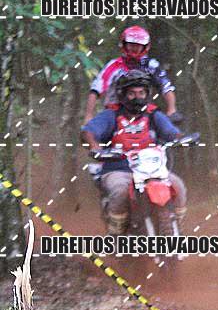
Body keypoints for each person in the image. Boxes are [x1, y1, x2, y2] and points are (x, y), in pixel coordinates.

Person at [80, 70, 187, 236]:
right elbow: (88, 132)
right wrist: (95, 148)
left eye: (141, 93)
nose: (137, 97)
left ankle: (175, 226)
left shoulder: (153, 115)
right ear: (122, 95)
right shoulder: (111, 115)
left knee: (178, 185)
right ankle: (116, 235)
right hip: (119, 169)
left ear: (147, 94)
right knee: (120, 192)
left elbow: (171, 132)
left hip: (154, 171)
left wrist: (181, 139)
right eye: (132, 93)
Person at [84, 26, 177, 124]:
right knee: (93, 130)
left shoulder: (151, 65)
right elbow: (95, 90)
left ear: (145, 46)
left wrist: (172, 109)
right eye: (131, 45)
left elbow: (166, 87)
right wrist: (88, 116)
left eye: (138, 45)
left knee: (165, 125)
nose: (134, 48)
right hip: (114, 112)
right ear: (124, 44)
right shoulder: (113, 66)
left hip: (143, 112)